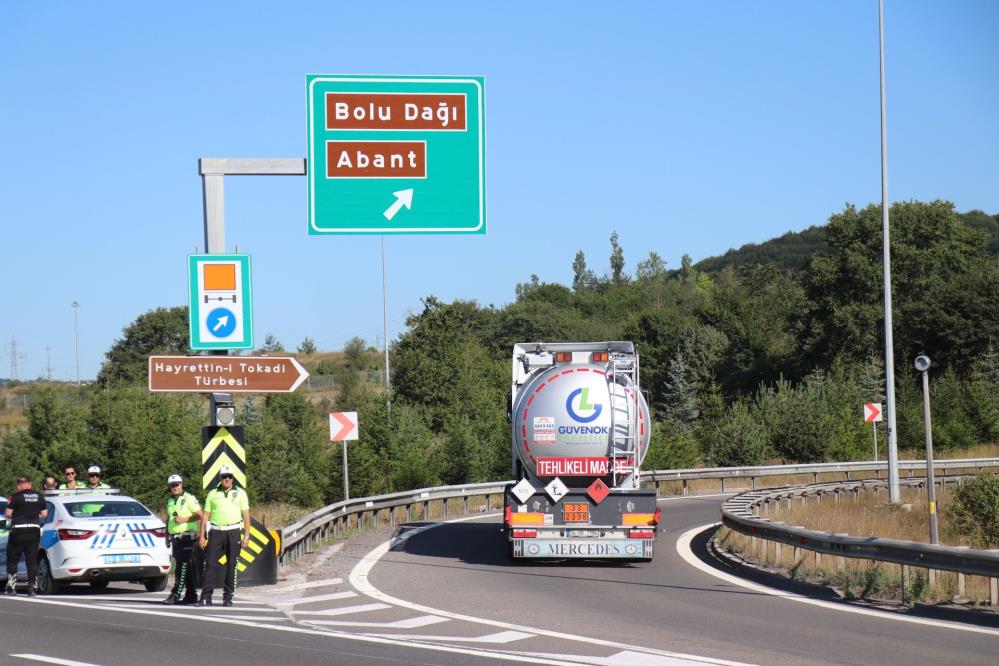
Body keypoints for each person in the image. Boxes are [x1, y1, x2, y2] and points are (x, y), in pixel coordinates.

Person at [197, 466, 249, 607]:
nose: (227, 479)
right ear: (220, 478)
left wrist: (246, 536)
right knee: (210, 565)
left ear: (233, 478)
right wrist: (202, 536)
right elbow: (205, 516)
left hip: (233, 532)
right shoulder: (212, 493)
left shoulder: (240, 493)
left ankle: (227, 597)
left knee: (232, 566)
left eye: (230, 476)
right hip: (216, 532)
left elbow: (246, 515)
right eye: (224, 476)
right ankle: (206, 597)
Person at [5, 476, 48, 596]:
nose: (18, 486)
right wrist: (33, 515)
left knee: (12, 559)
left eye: (19, 484)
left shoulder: (15, 496)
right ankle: (32, 588)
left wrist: (19, 515)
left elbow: (8, 514)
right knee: (32, 560)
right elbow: (44, 514)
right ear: (30, 484)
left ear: (22, 485)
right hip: (34, 529)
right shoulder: (39, 496)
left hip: (18, 529)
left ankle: (11, 587)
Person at [163, 474, 202, 605]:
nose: (175, 487)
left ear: (182, 485)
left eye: (177, 484)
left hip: (186, 536)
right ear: (169, 487)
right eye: (172, 485)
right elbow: (169, 519)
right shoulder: (170, 501)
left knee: (181, 567)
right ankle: (191, 595)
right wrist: (166, 534)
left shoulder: (189, 498)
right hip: (175, 537)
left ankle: (175, 594)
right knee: (186, 568)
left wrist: (185, 519)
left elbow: (199, 515)